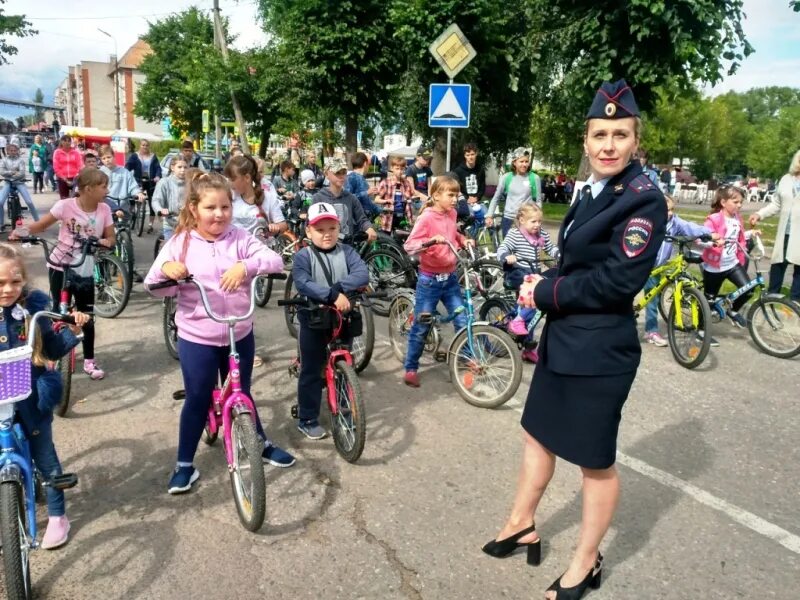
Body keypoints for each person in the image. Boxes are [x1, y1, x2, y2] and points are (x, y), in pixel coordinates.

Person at [484, 80, 667, 600]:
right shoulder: (593, 191)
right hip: (565, 338)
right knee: (537, 432)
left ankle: (585, 564)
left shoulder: (643, 199)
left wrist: (547, 289)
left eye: (620, 134)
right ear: (585, 142)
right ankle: (522, 522)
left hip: (600, 351)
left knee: (594, 462)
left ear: (636, 141)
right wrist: (538, 285)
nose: (609, 144)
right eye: (599, 134)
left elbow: (617, 282)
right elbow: (578, 263)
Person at [144, 171, 295, 494]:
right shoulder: (181, 242)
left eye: (225, 207)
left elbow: (273, 260)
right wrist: (168, 270)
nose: (219, 214)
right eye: (211, 207)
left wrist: (247, 266)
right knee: (197, 397)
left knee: (243, 392)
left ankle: (260, 443)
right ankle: (185, 463)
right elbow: (153, 284)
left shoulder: (239, 237)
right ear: (194, 208)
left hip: (238, 331)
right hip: (197, 336)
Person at [0, 243, 91, 549]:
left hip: (31, 395)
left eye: (15, 281)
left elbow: (52, 346)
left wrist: (73, 329)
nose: (8, 289)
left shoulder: (34, 309)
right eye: (0, 283)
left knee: (45, 457)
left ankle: (57, 516)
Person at [11, 167, 116, 380]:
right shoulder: (65, 206)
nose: (107, 189)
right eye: (103, 186)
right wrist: (19, 232)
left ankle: (89, 360)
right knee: (58, 311)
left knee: (87, 315)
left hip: (84, 265)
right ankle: (53, 351)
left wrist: (106, 242)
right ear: (88, 189)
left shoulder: (104, 210)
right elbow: (40, 226)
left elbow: (111, 237)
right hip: (59, 263)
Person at [291, 202, 369, 438]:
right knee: (312, 369)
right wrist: (332, 295)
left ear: (339, 228)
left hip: (341, 317)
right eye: (320, 229)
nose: (327, 234)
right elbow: (303, 282)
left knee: (345, 360)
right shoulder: (303, 256)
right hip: (313, 317)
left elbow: (361, 273)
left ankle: (344, 407)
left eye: (332, 228)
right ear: (308, 232)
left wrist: (339, 290)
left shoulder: (347, 252)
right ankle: (307, 417)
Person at [402, 175, 472, 388]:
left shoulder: (452, 213)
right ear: (436, 195)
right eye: (451, 195)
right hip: (430, 280)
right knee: (421, 326)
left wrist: (463, 239)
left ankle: (467, 359)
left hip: (450, 278)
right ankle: (411, 367)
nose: (454, 200)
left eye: (456, 195)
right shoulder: (427, 218)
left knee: (463, 319)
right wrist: (430, 241)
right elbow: (409, 246)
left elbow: (453, 233)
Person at [644, 195, 716, 347]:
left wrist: (709, 233)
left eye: (672, 209)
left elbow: (690, 227)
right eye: (666, 210)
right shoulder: (648, 221)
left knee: (652, 299)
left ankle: (651, 331)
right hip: (641, 265)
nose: (669, 213)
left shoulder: (674, 222)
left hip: (657, 267)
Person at [496, 203, 558, 361]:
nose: (537, 225)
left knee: (532, 312)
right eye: (533, 221)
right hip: (517, 274)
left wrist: (561, 255)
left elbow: (550, 248)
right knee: (532, 303)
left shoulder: (540, 233)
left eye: (539, 221)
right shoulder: (515, 234)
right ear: (522, 220)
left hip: (533, 275)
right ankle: (518, 322)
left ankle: (528, 348)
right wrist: (506, 257)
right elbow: (502, 249)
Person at [702, 185, 758, 328]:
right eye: (735, 202)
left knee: (749, 289)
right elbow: (701, 238)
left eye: (741, 202)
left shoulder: (737, 218)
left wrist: (751, 233)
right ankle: (701, 330)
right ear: (723, 202)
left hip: (732, 264)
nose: (739, 205)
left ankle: (732, 311)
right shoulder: (714, 219)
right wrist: (713, 242)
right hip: (715, 267)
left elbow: (736, 238)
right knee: (708, 301)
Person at [749, 149, 800, 302]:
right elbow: (776, 204)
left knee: (799, 268)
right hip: (785, 231)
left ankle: (795, 303)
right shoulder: (786, 179)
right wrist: (759, 214)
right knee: (778, 264)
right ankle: (771, 298)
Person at [312, 158, 377, 244]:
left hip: (347, 248)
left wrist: (369, 228)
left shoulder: (351, 198)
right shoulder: (318, 198)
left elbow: (362, 219)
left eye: (344, 173)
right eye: (337, 173)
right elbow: (312, 225)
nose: (341, 176)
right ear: (326, 174)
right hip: (326, 248)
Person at [225, 155, 287, 236]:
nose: (229, 183)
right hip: (234, 247)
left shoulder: (268, 197)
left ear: (247, 177)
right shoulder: (228, 197)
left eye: (232, 179)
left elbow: (283, 225)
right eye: (228, 179)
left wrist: (275, 227)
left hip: (260, 247)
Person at [487, 148, 541, 236]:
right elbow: (496, 198)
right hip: (508, 220)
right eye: (521, 161)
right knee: (509, 249)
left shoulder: (534, 178)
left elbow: (538, 201)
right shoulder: (506, 177)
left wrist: (538, 220)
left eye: (526, 161)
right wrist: (489, 215)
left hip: (527, 220)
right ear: (514, 162)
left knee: (527, 249)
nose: (524, 164)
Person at [0, 142, 41, 229]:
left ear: (17, 151)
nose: (13, 152)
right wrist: (13, 172)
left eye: (15, 150)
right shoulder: (3, 160)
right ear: (7, 151)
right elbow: (2, 172)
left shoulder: (20, 160)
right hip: (8, 182)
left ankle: (38, 222)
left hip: (19, 182)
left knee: (29, 201)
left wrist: (11, 174)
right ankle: (1, 224)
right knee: (0, 202)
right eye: (11, 150)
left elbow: (22, 173)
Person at [125, 139, 163, 234]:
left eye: (146, 145)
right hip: (138, 181)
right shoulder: (135, 156)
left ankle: (150, 225)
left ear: (149, 146)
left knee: (151, 202)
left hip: (151, 182)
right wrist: (127, 174)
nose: (145, 147)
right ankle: (131, 213)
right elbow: (128, 166)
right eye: (143, 145)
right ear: (140, 146)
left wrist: (157, 176)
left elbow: (158, 168)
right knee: (133, 198)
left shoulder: (153, 157)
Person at [151, 154, 188, 242]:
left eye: (185, 167)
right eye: (179, 167)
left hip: (188, 224)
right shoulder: (164, 182)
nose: (183, 170)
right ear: (172, 167)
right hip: (171, 224)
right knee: (171, 251)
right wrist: (160, 210)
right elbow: (156, 200)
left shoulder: (191, 183)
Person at [99, 145, 144, 216]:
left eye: (108, 157)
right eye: (103, 158)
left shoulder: (125, 172)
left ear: (114, 156)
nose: (107, 160)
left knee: (124, 224)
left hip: (123, 207)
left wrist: (138, 193)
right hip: (105, 208)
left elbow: (132, 185)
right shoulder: (99, 173)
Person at [376, 154, 414, 233]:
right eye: (397, 169)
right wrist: (386, 201)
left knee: (400, 241)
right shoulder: (385, 183)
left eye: (402, 169)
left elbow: (409, 202)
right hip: (388, 217)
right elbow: (376, 199)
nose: (399, 171)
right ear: (392, 168)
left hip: (402, 217)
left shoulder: (406, 183)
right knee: (387, 240)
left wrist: (410, 219)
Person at [345, 152, 381, 218]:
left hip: (364, 219)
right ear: (365, 164)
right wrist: (367, 193)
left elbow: (367, 202)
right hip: (356, 221)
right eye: (368, 165)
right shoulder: (351, 177)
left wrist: (382, 211)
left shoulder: (361, 178)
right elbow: (347, 197)